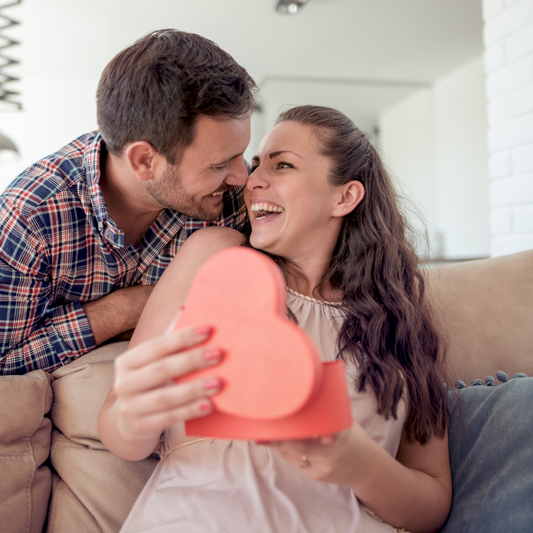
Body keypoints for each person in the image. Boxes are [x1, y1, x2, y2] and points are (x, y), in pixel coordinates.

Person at [98, 105, 452, 533]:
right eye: (255, 165)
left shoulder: (399, 323)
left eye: (282, 165)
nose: (252, 181)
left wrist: (362, 465)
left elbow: (432, 505)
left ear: (345, 196)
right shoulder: (216, 257)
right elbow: (118, 428)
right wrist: (135, 411)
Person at [0, 29, 256, 375]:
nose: (242, 177)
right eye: (219, 164)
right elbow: (4, 361)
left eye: (240, 155)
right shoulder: (29, 218)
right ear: (144, 161)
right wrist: (125, 309)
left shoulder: (231, 198)